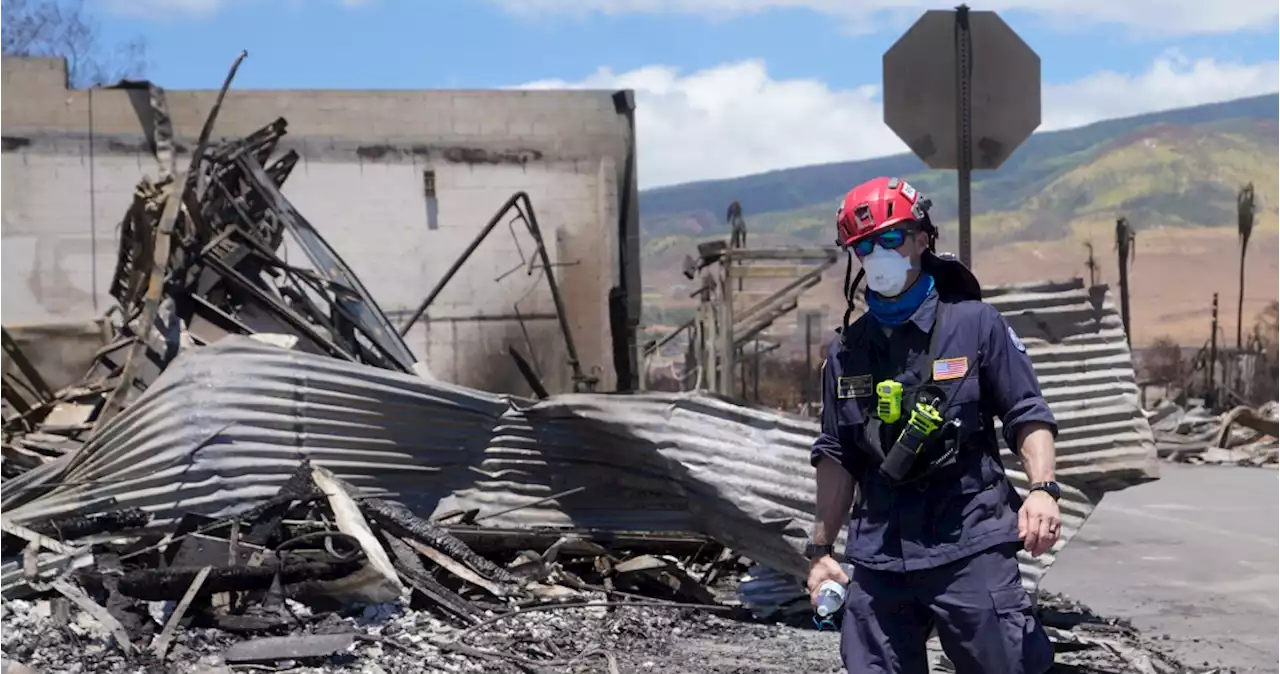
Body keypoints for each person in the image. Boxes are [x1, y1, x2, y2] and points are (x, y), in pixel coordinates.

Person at [804, 176, 1062, 674]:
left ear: (923, 238)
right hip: (880, 557)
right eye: (864, 246)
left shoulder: (976, 324)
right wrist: (820, 550)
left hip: (970, 543)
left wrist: (1043, 489)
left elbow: (1026, 412)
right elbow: (837, 453)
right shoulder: (846, 353)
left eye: (891, 239)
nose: (878, 253)